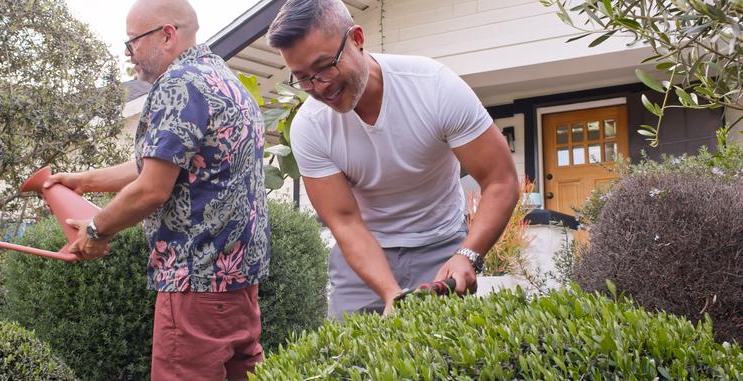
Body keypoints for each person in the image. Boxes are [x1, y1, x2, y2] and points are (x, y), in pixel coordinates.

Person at [43, 0, 270, 379]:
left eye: (132, 42)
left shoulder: (178, 84)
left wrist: (97, 229)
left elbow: (151, 189)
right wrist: (83, 180)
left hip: (194, 283)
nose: (128, 54)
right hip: (238, 283)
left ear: (167, 35)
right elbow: (162, 164)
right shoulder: (223, 80)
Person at [266, 0, 519, 319]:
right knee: (347, 361)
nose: (319, 87)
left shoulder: (433, 86)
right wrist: (391, 294)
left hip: (441, 245)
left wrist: (467, 255)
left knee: (445, 362)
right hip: (363, 255)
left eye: (325, 67)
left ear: (357, 39)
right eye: (302, 78)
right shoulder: (310, 126)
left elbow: (501, 181)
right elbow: (345, 222)